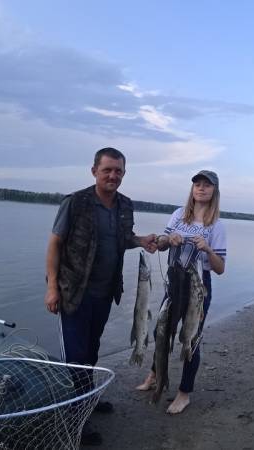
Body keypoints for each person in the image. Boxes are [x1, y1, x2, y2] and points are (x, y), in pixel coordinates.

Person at [45, 147, 156, 445]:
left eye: (118, 170)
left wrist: (141, 240)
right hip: (73, 293)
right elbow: (55, 244)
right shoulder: (76, 202)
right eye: (107, 169)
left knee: (91, 352)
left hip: (105, 293)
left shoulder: (125, 205)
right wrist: (52, 286)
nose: (113, 175)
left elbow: (122, 239)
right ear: (94, 170)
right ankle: (77, 421)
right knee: (77, 358)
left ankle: (87, 401)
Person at [135, 169, 227, 414]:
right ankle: (155, 374)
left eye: (207, 185)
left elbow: (220, 269)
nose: (201, 188)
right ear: (192, 189)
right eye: (197, 184)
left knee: (190, 339)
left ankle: (184, 393)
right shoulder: (178, 215)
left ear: (214, 191)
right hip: (174, 283)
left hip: (199, 288)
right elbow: (161, 245)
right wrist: (169, 239)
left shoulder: (217, 226)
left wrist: (208, 250)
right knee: (160, 331)